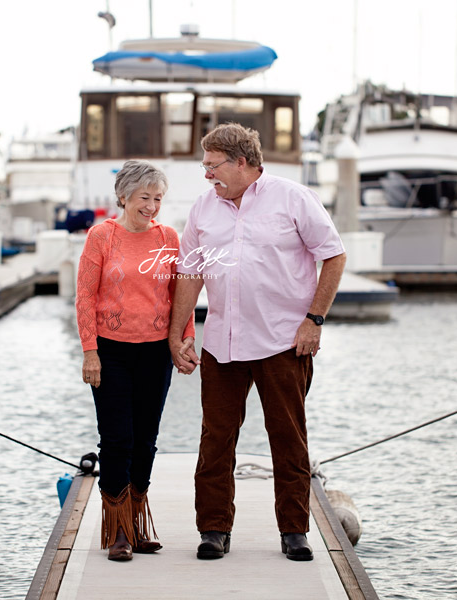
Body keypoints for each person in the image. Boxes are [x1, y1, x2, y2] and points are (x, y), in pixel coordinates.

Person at [168, 123, 346, 562]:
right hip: (222, 344)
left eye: (213, 166)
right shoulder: (203, 209)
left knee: (288, 439)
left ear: (241, 162)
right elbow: (189, 273)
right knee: (215, 440)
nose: (207, 175)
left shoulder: (293, 198)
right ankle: (212, 530)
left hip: (283, 342)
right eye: (205, 167)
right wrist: (179, 333)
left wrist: (314, 320)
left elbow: (334, 254)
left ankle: (294, 532)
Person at [76, 159, 195, 561]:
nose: (151, 206)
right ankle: (120, 533)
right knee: (117, 440)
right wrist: (90, 351)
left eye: (158, 198)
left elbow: (182, 296)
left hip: (155, 350)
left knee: (146, 440)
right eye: (144, 197)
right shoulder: (101, 236)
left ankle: (138, 523)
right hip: (110, 350)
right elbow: (85, 297)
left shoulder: (169, 237)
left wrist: (184, 341)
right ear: (124, 196)